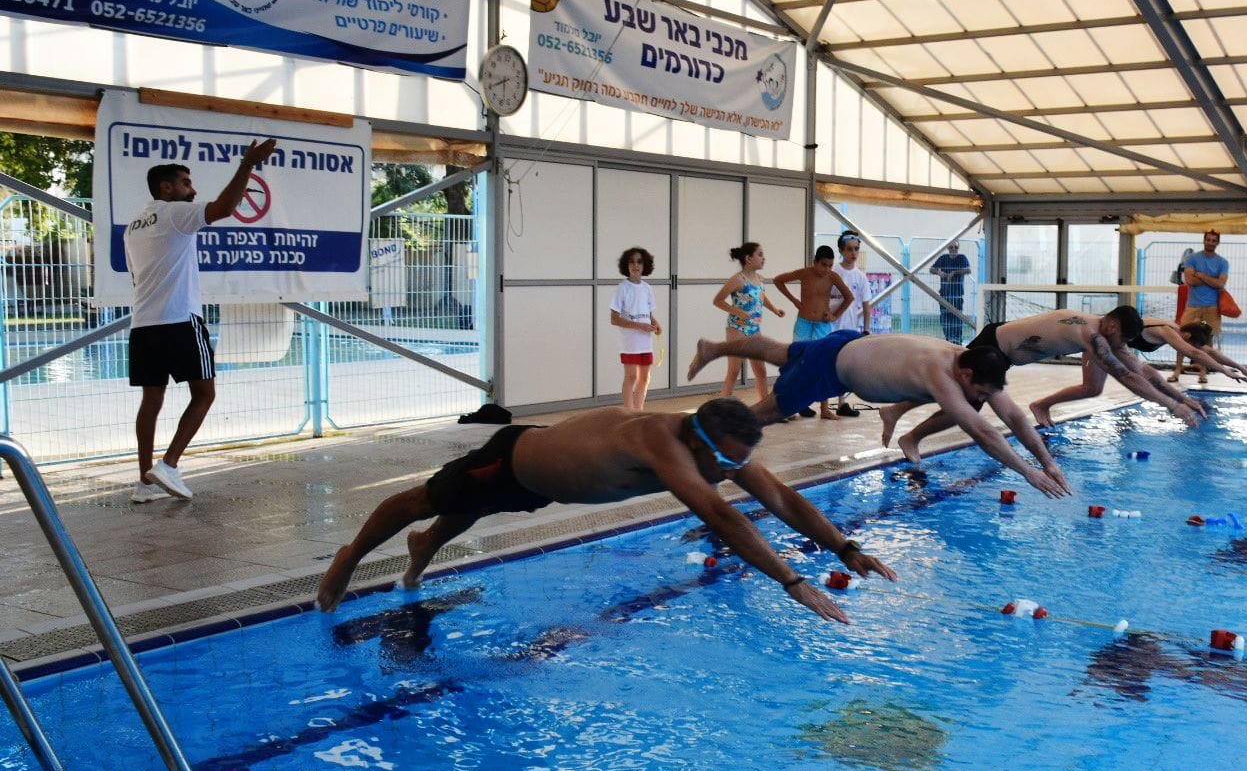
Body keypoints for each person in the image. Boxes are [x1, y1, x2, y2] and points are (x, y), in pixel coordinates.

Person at [316, 398, 894, 621]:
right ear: (696, 441)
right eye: (724, 462)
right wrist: (793, 582)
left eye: (737, 464)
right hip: (510, 459)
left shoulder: (717, 450)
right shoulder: (659, 441)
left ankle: (423, 550)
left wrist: (845, 547)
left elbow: (783, 497)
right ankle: (351, 555)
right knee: (424, 502)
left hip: (539, 486)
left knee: (474, 508)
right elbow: (722, 517)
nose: (730, 471)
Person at [686, 331, 1073, 498]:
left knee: (779, 351)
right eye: (982, 393)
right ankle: (698, 438)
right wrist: (1028, 473)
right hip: (831, 369)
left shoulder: (970, 362)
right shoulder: (939, 372)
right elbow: (982, 431)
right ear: (966, 376)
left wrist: (1047, 461)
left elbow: (1015, 418)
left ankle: (714, 348)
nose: (983, 400)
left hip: (849, 343)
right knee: (760, 417)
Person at [127, 139, 278, 503]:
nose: (192, 190)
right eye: (186, 183)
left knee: (151, 399)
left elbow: (135, 276)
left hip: (143, 324)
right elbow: (224, 208)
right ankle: (168, 465)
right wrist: (247, 164)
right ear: (166, 188)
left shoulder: (133, 226)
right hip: (179, 319)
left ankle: (144, 483)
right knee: (205, 393)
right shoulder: (175, 213)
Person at [870, 308, 1208, 463]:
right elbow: (1127, 377)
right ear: (1112, 326)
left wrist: (1181, 399)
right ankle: (911, 436)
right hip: (995, 345)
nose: (1123, 346)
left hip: (1002, 349)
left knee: (954, 390)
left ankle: (896, 412)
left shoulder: (1106, 335)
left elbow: (1142, 372)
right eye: (1123, 339)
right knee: (967, 400)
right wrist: (1172, 407)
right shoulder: (1090, 334)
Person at [1027, 316, 1247, 427]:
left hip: (1118, 350)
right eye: (1193, 343)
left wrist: (1241, 368)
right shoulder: (1167, 331)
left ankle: (1042, 405)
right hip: (1102, 344)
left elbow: (1208, 351)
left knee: (1097, 388)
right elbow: (1195, 352)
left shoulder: (1178, 331)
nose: (1193, 349)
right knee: (1093, 388)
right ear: (1187, 336)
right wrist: (1226, 372)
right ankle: (1040, 405)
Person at [773, 245, 853, 420]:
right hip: (804, 322)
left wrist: (835, 315)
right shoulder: (805, 273)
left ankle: (824, 409)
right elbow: (778, 280)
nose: (827, 269)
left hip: (822, 325)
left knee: (823, 364)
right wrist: (794, 300)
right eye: (823, 265)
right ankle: (790, 407)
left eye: (830, 265)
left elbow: (849, 297)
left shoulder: (832, 276)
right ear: (814, 262)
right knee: (796, 362)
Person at [712, 242, 786, 403]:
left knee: (761, 371)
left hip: (754, 329)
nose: (763, 258)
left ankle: (764, 405)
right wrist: (737, 311)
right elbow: (717, 300)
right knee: (734, 371)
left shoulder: (759, 279)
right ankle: (722, 409)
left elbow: (761, 297)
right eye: (760, 254)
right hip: (737, 329)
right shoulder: (738, 280)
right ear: (748, 259)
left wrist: (774, 309)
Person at [1170, 230, 1228, 384]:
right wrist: (1212, 280)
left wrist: (1201, 275)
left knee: (1207, 341)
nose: (1210, 243)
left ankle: (1203, 372)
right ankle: (1177, 370)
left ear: (1217, 243)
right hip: (1193, 306)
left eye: (1213, 240)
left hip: (1211, 308)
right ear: (1204, 240)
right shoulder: (1192, 259)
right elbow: (1189, 280)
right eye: (1208, 240)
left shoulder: (1222, 262)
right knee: (1182, 338)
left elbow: (1221, 284)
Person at [610, 246, 660, 410]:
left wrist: (655, 323)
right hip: (630, 342)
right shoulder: (622, 288)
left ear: (645, 265)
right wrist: (639, 326)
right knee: (631, 377)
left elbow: (648, 314)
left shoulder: (647, 289)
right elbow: (614, 319)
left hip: (645, 341)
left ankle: (638, 411)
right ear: (626, 265)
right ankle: (628, 412)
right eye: (632, 262)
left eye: (639, 262)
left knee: (644, 378)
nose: (635, 265)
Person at [831, 231, 872, 418]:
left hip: (849, 327)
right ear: (841, 251)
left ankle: (841, 402)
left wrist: (866, 329)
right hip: (829, 326)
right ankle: (812, 402)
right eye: (849, 249)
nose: (853, 253)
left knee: (843, 366)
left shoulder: (860, 277)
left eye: (856, 249)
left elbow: (866, 305)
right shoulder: (833, 272)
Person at [929, 241, 973, 344]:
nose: (953, 249)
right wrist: (939, 272)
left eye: (955, 247)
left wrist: (954, 272)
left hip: (957, 294)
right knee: (945, 317)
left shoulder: (962, 258)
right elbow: (931, 269)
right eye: (951, 247)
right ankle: (948, 339)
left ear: (958, 247)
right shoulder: (943, 258)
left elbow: (968, 270)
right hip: (945, 293)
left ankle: (957, 340)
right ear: (948, 248)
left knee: (957, 317)